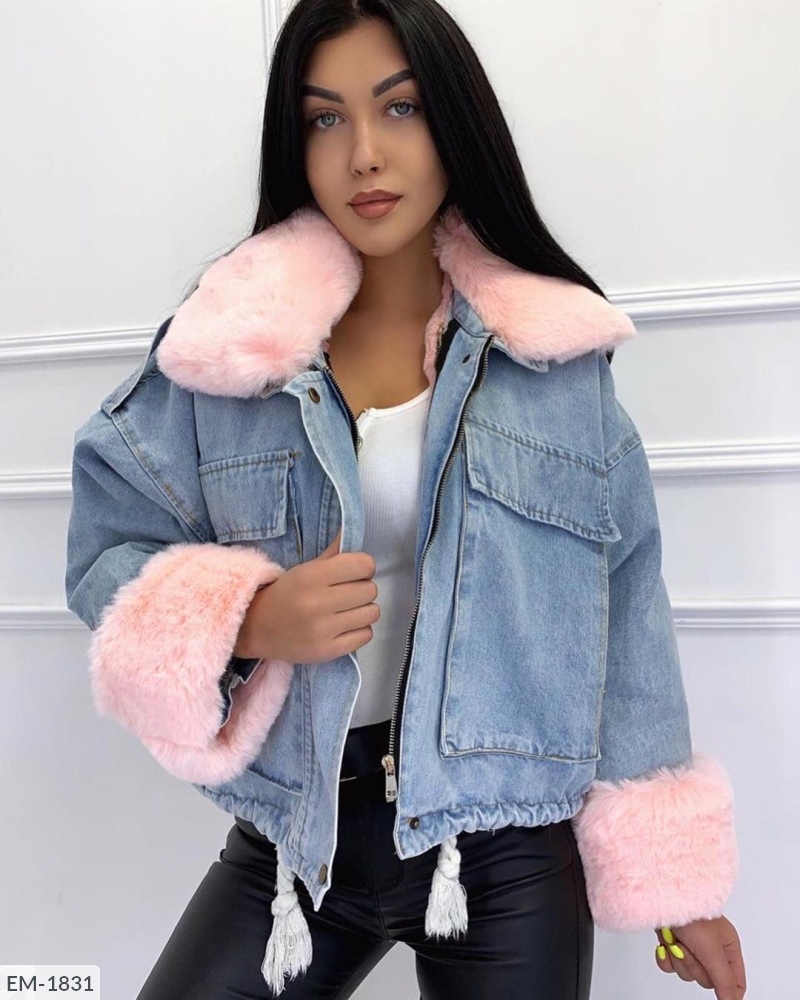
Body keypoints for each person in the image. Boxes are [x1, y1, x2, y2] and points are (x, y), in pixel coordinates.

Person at [64, 1, 746, 998]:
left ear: (452, 119)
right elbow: (104, 548)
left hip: (505, 850)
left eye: (399, 107)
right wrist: (247, 616)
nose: (364, 155)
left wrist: (679, 887)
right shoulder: (227, 347)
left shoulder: (550, 357)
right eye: (324, 118)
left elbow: (627, 613)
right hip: (298, 843)